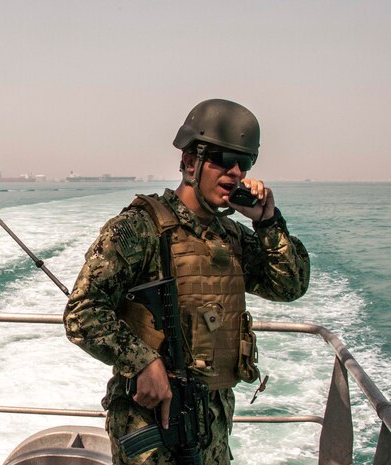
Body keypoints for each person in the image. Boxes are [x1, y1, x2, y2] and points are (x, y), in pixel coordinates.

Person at [63, 98, 310, 464]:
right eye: (223, 160)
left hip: (212, 421)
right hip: (148, 419)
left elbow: (290, 285)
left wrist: (268, 221)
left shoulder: (232, 237)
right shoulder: (139, 228)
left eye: (244, 163)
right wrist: (143, 362)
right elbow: (82, 312)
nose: (235, 173)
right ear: (189, 162)